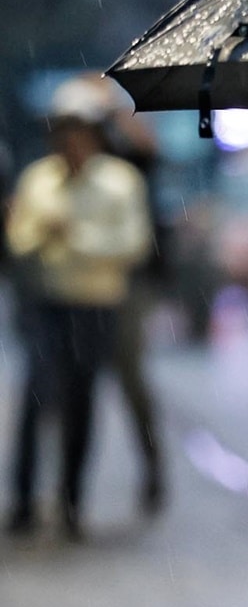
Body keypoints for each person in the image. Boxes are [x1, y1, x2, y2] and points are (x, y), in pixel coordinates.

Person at [5, 112, 151, 538]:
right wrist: (45, 232)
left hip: (95, 304)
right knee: (36, 399)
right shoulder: (39, 179)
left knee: (81, 401)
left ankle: (71, 500)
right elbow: (19, 238)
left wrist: (76, 235)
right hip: (48, 302)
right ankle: (24, 500)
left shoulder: (119, 182)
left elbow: (133, 243)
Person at [50, 72, 167, 513]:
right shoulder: (64, 168)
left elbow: (151, 152)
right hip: (77, 294)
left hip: (127, 286)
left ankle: (152, 468)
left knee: (131, 380)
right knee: (74, 391)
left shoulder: (123, 165)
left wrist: (113, 105)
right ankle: (69, 492)